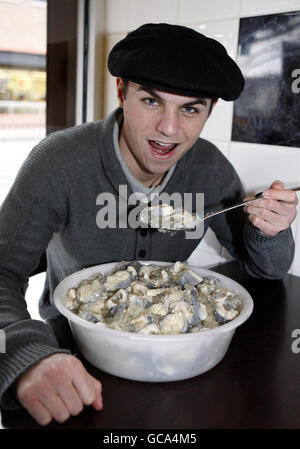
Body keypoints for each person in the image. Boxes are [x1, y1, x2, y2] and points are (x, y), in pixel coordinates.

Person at [0, 23, 297, 426]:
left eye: (190, 108)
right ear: (122, 92)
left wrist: (270, 231)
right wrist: (24, 353)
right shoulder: (59, 163)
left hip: (183, 367)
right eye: (151, 101)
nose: (169, 130)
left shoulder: (210, 169)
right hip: (74, 355)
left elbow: (265, 269)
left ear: (209, 111)